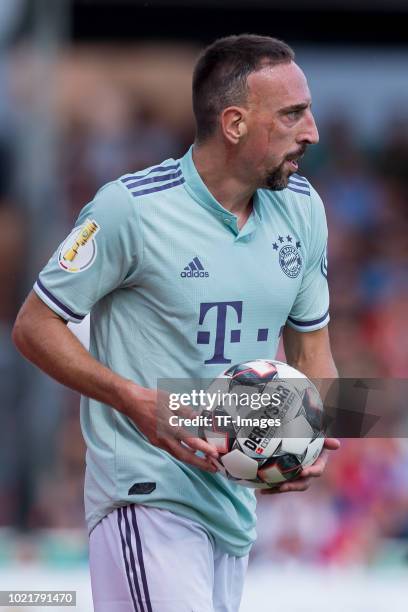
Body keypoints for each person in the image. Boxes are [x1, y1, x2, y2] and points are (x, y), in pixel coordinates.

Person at [13, 34, 340, 612]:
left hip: (234, 502)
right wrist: (135, 401)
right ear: (234, 123)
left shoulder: (303, 209)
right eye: (293, 114)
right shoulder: (129, 210)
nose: (311, 130)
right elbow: (34, 327)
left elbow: (314, 354)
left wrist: (305, 442)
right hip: (145, 496)